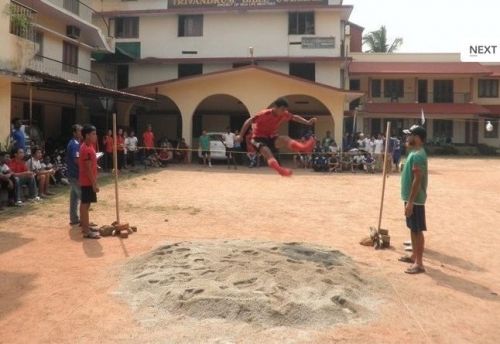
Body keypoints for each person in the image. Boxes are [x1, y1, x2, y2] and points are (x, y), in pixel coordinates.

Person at [236, 97, 317, 177]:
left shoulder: (284, 114)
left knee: (285, 138)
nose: (284, 111)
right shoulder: (264, 114)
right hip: (258, 138)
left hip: (272, 137)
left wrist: (307, 122)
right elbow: (249, 121)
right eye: (282, 109)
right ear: (275, 107)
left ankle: (303, 147)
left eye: (285, 109)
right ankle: (280, 170)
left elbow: (294, 117)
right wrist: (241, 135)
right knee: (268, 153)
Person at [399, 125, 428, 274]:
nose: (407, 138)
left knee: (417, 230)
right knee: (412, 228)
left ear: (417, 138)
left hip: (415, 200)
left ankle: (419, 263)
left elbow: (417, 180)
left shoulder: (418, 155)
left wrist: (410, 202)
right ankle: (414, 256)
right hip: (411, 198)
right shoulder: (414, 153)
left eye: (409, 135)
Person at [79, 125, 100, 239]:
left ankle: (85, 226)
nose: (95, 136)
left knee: (85, 204)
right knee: (85, 204)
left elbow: (90, 163)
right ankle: (86, 231)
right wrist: (94, 183)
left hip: (88, 180)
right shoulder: (86, 148)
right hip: (87, 181)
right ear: (87, 135)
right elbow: (87, 168)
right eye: (93, 134)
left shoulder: (89, 146)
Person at [66, 124, 82, 225]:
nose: (81, 133)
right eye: (79, 131)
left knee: (74, 198)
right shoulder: (75, 144)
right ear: (74, 133)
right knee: (84, 198)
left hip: (72, 173)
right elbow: (76, 160)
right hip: (75, 174)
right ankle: (85, 220)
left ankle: (74, 218)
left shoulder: (74, 143)